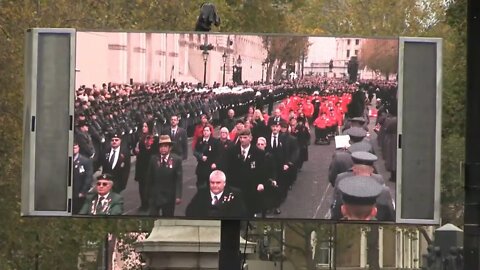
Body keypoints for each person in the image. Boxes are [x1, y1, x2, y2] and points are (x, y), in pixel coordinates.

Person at [331, 151, 394, 221]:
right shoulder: (383, 190)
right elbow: (390, 216)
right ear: (372, 171)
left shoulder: (343, 186)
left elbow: (335, 213)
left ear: (353, 169)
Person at [224, 128, 266, 217]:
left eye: (245, 137)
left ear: (250, 138)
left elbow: (262, 170)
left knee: (249, 211)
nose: (242, 140)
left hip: (251, 187)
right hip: (235, 187)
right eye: (241, 137)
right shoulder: (232, 151)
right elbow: (227, 168)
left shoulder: (258, 153)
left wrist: (261, 183)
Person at [145, 135, 183, 217]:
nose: (163, 149)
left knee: (168, 218)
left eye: (165, 146)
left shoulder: (176, 160)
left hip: (169, 197)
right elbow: (149, 178)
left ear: (170, 148)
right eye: (161, 146)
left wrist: (178, 196)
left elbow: (178, 180)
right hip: (155, 196)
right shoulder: (153, 159)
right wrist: (148, 194)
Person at [133, 122, 156, 211]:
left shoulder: (151, 138)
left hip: (148, 165)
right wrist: (135, 150)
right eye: (143, 126)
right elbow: (136, 149)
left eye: (146, 126)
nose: (143, 128)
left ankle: (148, 204)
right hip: (140, 165)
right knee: (141, 186)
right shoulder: (140, 137)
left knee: (148, 186)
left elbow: (149, 150)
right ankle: (143, 203)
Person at [73, 141, 94, 214]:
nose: (73, 149)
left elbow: (88, 177)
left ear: (78, 148)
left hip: (79, 192)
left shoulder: (85, 161)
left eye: (75, 148)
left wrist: (83, 191)